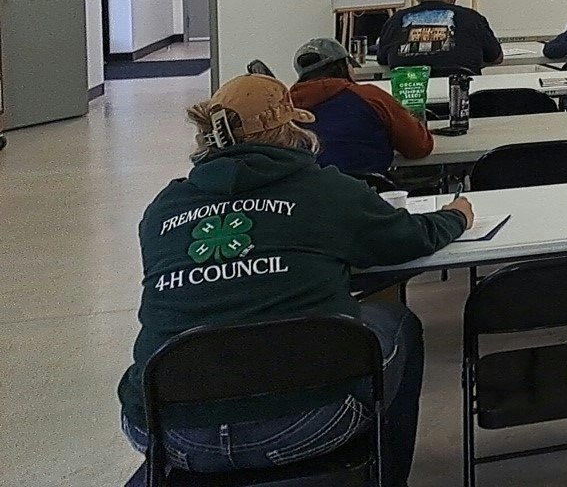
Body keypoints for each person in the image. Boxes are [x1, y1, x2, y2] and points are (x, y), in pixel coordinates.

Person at [119, 75, 472, 485]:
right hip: (306, 421)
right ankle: (386, 477)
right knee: (398, 323)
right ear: (290, 129)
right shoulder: (326, 190)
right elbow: (409, 238)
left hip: (169, 431)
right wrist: (456, 215)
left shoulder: (163, 208)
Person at [287, 37, 433, 175]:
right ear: (345, 66)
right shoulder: (370, 96)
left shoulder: (283, 107)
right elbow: (419, 147)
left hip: (304, 190)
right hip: (368, 188)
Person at [374, 0, 502, 76]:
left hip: (410, 93)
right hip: (460, 92)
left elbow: (383, 59)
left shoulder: (396, 20)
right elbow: (496, 57)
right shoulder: (472, 18)